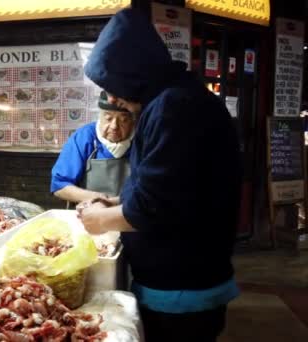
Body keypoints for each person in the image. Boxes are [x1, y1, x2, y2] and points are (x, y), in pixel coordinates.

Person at [78, 9, 242, 342]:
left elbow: (154, 208)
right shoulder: (171, 100)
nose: (112, 99)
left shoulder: (174, 108)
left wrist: (101, 220)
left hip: (183, 290)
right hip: (180, 281)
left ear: (133, 72)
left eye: (112, 86)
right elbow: (174, 187)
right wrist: (119, 200)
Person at [51, 92, 135, 204]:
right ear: (100, 117)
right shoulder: (84, 137)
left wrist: (116, 203)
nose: (114, 126)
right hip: (90, 212)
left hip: (131, 214)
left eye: (123, 120)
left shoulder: (142, 139)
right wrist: (97, 198)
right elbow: (59, 186)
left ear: (133, 121)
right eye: (108, 118)